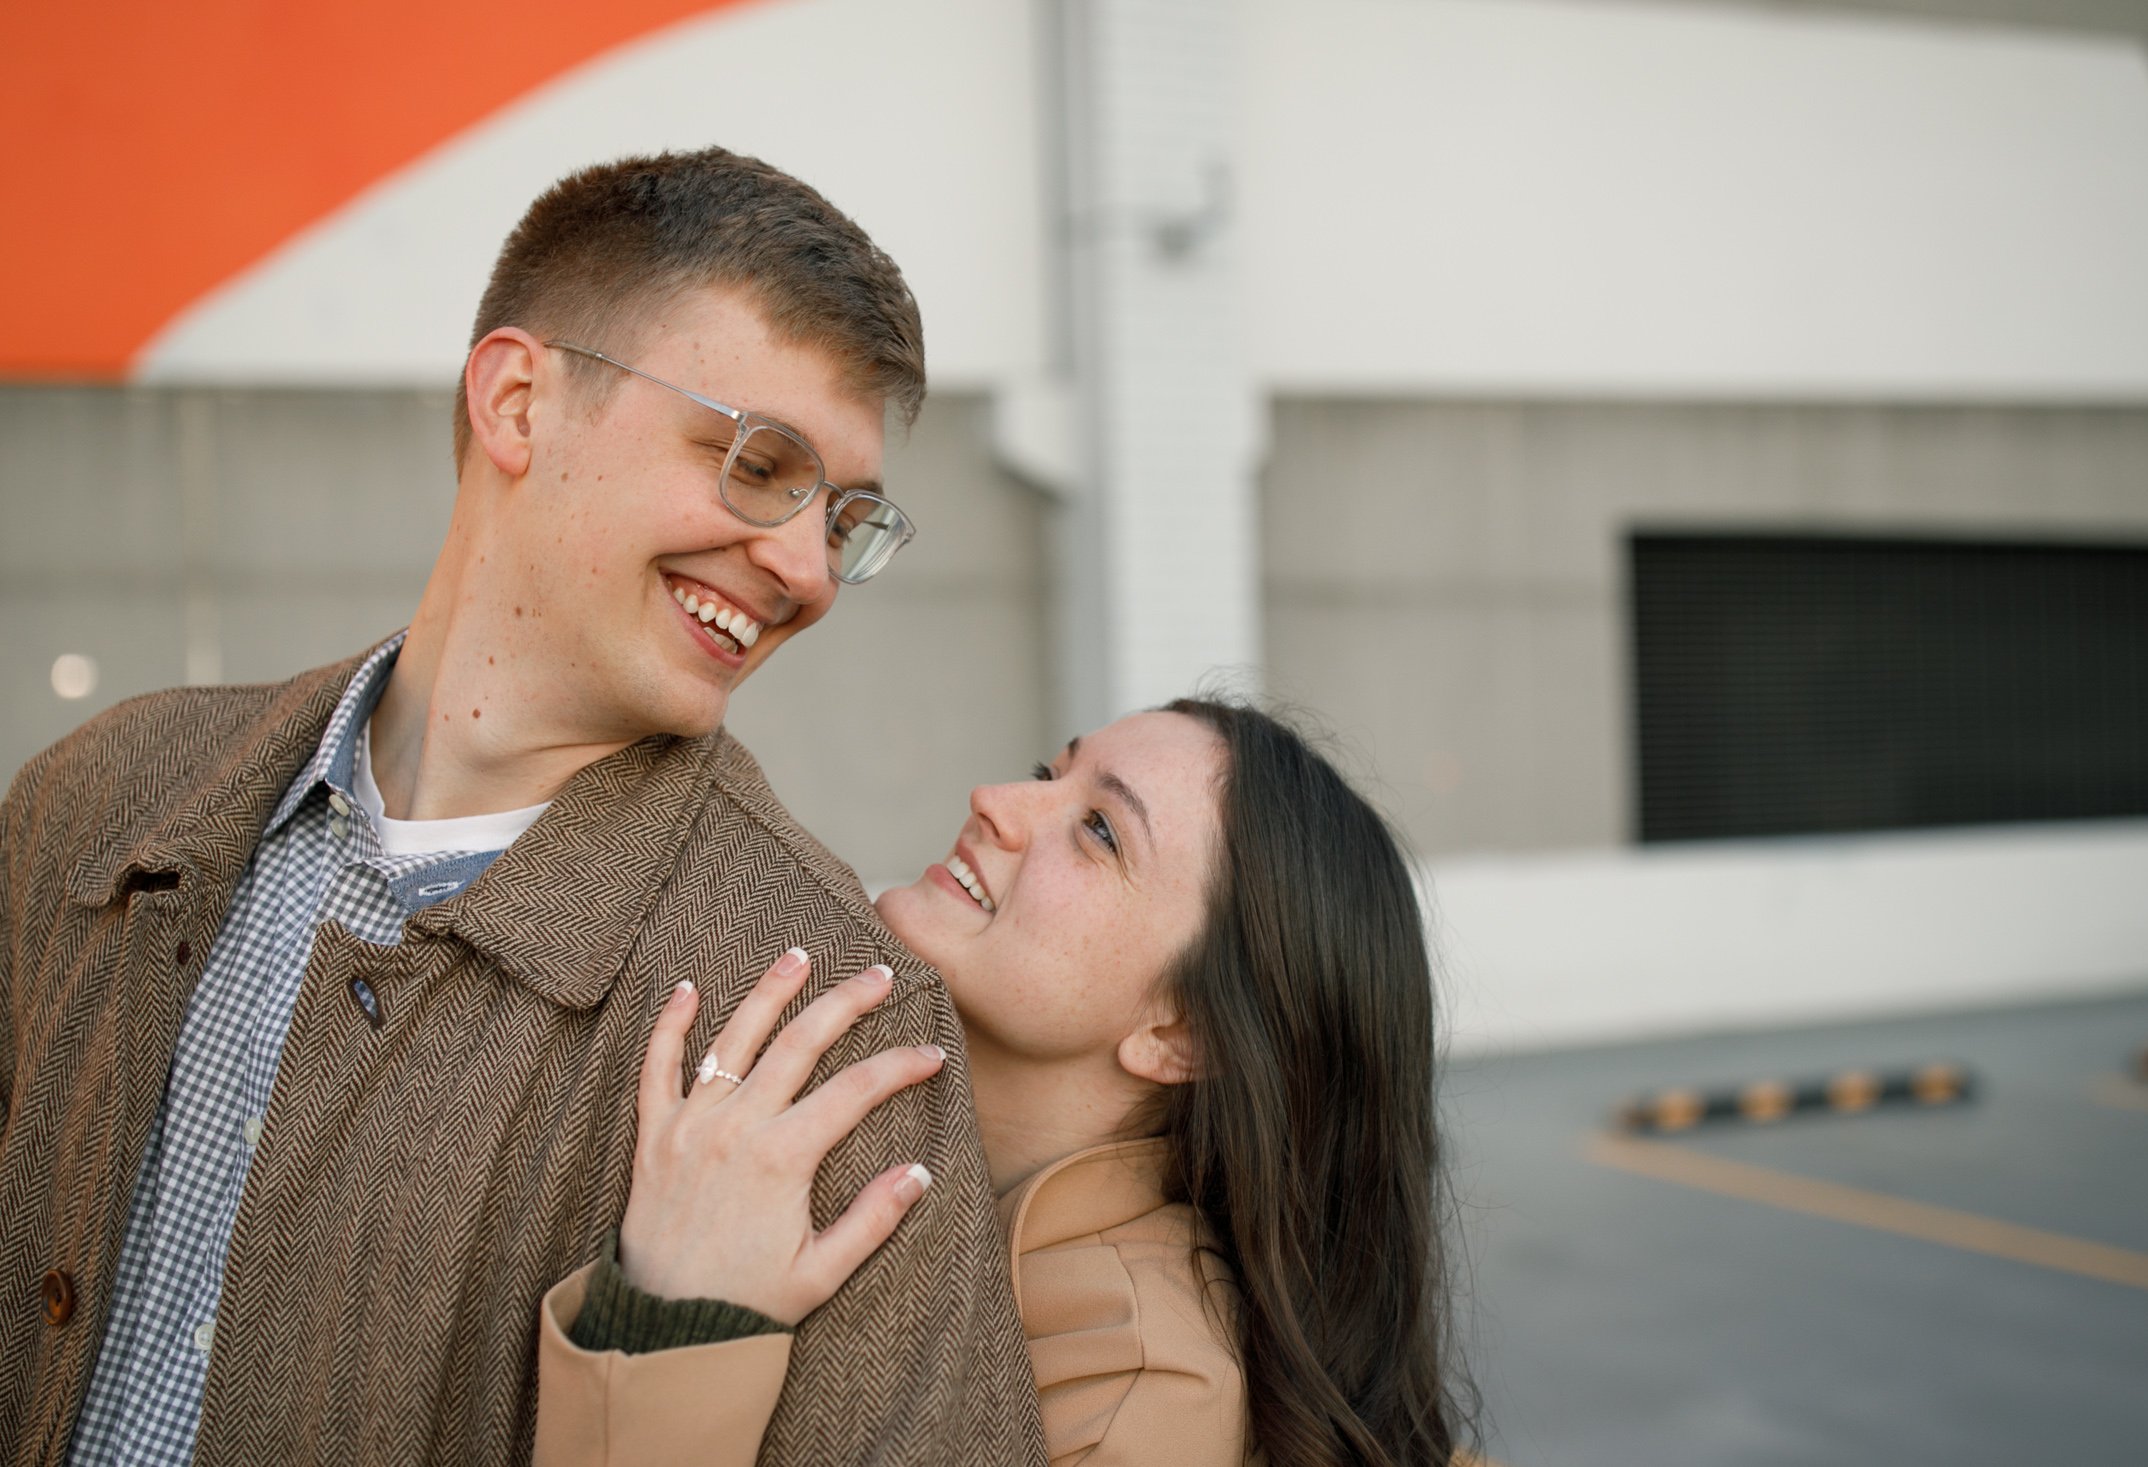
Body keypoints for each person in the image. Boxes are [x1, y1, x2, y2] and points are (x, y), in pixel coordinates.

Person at [0, 149, 1046, 1465]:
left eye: (845, 516)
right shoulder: (100, 797)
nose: (804, 568)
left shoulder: (822, 1014)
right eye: (759, 460)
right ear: (516, 402)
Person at [536, 700, 1480, 1466]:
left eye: (1099, 830)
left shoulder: (1132, 1402)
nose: (995, 799)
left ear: (1181, 1029)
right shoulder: (886, 1148)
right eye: (1047, 773)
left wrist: (676, 1317)